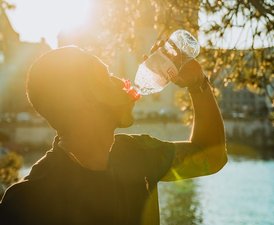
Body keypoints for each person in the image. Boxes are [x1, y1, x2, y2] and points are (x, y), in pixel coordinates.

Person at [0, 45, 227, 225]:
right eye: (106, 76)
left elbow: (211, 155)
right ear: (82, 100)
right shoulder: (26, 202)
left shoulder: (137, 153)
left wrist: (197, 85)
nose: (121, 81)